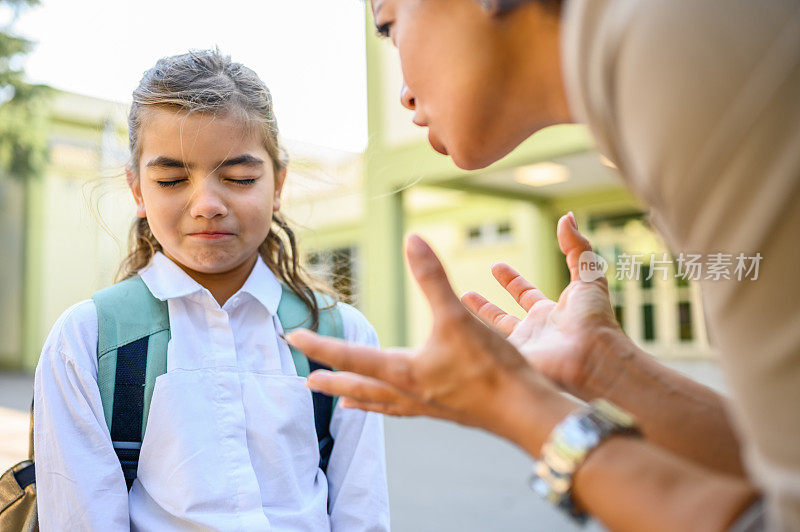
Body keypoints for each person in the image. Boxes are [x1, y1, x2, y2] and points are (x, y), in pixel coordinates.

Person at [287, 0, 800, 530]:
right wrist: (601, 367)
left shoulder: (675, 46)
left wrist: (514, 403)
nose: (404, 93)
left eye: (390, 28)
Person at [33, 50, 390, 531]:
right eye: (172, 179)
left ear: (278, 184)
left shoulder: (343, 339)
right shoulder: (85, 341)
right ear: (137, 189)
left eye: (239, 178)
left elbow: (362, 515)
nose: (207, 205)